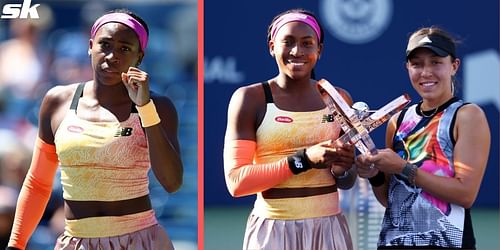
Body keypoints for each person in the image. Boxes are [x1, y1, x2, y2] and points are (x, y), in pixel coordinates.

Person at [7, 9, 183, 250]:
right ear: (90, 46)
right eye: (105, 44)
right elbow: (38, 183)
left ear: (139, 57)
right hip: (75, 242)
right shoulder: (56, 101)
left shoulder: (158, 106)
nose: (111, 56)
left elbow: (171, 182)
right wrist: (16, 244)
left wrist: (145, 108)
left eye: (124, 48)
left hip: (141, 241)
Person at [223, 8, 356, 250]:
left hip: (329, 231)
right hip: (272, 231)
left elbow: (346, 181)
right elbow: (236, 182)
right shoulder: (249, 99)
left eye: (307, 43)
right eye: (288, 42)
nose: (297, 52)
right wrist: (304, 160)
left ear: (319, 50)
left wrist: (343, 168)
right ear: (272, 46)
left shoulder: (340, 98)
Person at [356, 26, 490, 249]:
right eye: (417, 64)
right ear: (407, 68)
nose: (426, 72)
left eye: (436, 62)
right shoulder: (397, 121)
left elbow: (466, 194)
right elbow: (391, 200)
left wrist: (403, 168)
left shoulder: (467, 115)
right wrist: (375, 175)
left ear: (454, 66)